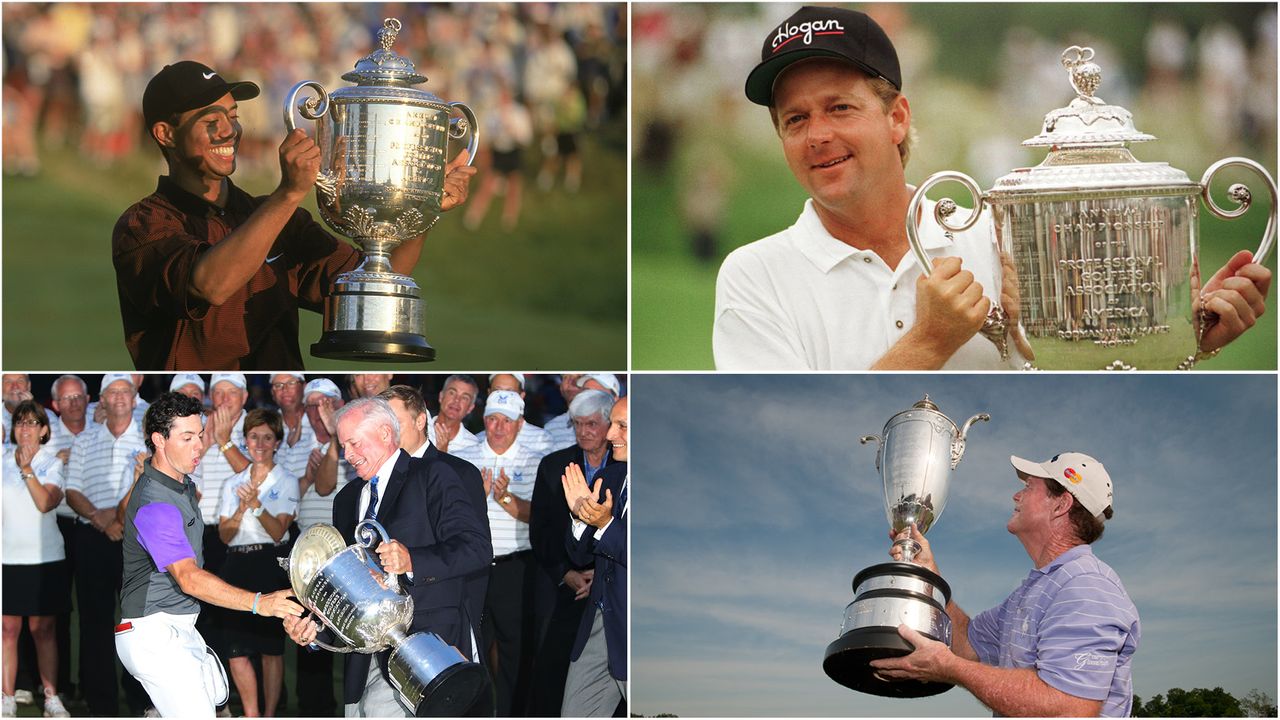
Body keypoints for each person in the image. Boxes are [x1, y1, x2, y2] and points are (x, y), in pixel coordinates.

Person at [713, 6, 1272, 371]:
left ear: (897, 118)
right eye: (795, 119)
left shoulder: (1000, 231)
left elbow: (1080, 383)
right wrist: (931, 342)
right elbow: (815, 439)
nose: (818, 135)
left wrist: (1184, 341)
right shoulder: (753, 276)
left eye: (840, 107)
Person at [111, 61, 476, 369]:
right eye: (211, 120)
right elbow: (211, 285)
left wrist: (422, 209)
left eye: (233, 116)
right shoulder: (142, 226)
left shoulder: (279, 219)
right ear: (166, 134)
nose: (229, 130)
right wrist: (289, 194)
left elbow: (379, 279)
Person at [869, 452, 1140, 716]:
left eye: (1028, 487)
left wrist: (948, 668)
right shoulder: (1033, 592)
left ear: (1060, 505)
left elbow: (1070, 707)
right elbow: (968, 644)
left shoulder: (1087, 588)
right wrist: (930, 575)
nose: (1016, 495)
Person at [283, 397, 492, 717]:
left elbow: (476, 549)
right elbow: (345, 585)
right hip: (362, 664)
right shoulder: (347, 499)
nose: (348, 455)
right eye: (343, 445)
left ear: (384, 433)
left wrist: (414, 561)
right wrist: (316, 631)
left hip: (425, 653)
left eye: (353, 443)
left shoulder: (434, 475)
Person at [115, 392, 304, 717]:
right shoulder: (155, 504)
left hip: (181, 627)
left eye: (200, 435)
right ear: (159, 440)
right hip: (151, 633)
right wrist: (261, 603)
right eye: (187, 438)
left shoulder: (182, 483)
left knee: (217, 694)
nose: (199, 446)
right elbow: (188, 578)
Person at [452, 390, 552, 715]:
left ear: (519, 424)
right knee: (471, 648)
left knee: (515, 653)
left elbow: (538, 515)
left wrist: (506, 498)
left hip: (516, 568)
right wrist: (478, 497)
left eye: (506, 421)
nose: (498, 427)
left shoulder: (534, 460)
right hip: (474, 567)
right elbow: (452, 516)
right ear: (483, 420)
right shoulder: (465, 456)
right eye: (493, 419)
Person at [64, 373, 150, 716]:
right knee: (94, 622)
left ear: (134, 397)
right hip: (93, 538)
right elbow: (71, 491)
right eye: (111, 392)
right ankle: (102, 705)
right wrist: (102, 520)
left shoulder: (148, 440)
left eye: (124, 391)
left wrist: (117, 522)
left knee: (139, 624)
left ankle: (142, 700)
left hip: (136, 540)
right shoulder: (85, 439)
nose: (118, 397)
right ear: (101, 400)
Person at [528, 389, 618, 715]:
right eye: (577, 424)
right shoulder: (554, 466)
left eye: (591, 424)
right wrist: (565, 573)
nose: (583, 432)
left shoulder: (625, 469)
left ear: (609, 425)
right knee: (553, 669)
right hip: (563, 587)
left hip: (610, 589)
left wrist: (604, 575)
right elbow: (541, 529)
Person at [215, 410, 299, 717]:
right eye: (254, 437)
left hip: (269, 565)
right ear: (245, 440)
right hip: (236, 563)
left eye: (267, 437)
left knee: (270, 650)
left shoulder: (287, 481)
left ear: (277, 442)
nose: (260, 443)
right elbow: (224, 535)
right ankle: (251, 714)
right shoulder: (232, 483)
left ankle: (269, 714)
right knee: (236, 651)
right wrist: (240, 509)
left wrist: (256, 505)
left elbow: (279, 530)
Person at [559, 395, 629, 716]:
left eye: (623, 426)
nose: (611, 434)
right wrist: (579, 515)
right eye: (613, 424)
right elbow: (578, 554)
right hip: (599, 626)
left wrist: (605, 524)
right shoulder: (610, 477)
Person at [2, 401, 71, 718]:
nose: (25, 429)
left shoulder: (51, 464)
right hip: (7, 559)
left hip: (45, 559)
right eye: (20, 423)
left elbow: (45, 503)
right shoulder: (1, 461)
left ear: (44, 430)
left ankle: (51, 697)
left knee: (43, 631)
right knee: (7, 630)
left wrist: (27, 470)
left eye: (32, 423)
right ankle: (7, 697)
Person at [479, 373, 553, 454]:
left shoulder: (541, 439)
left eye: (510, 392)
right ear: (489, 393)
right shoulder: (478, 439)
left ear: (522, 396)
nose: (503, 397)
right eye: (497, 391)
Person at [434, 375, 482, 454]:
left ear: (470, 408)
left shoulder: (473, 446)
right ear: (441, 396)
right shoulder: (419, 428)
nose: (456, 400)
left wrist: (442, 453)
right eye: (452, 393)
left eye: (464, 398)